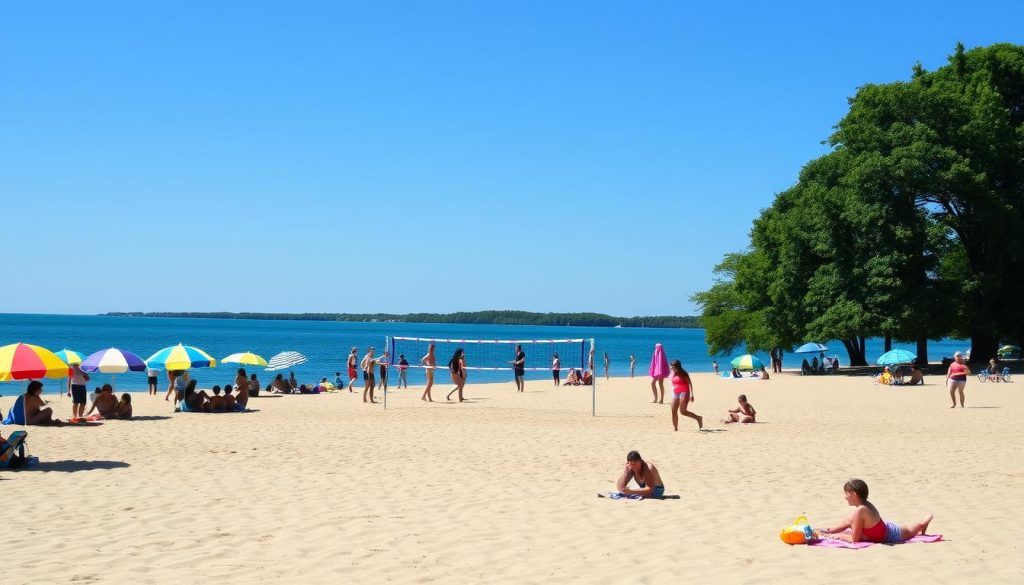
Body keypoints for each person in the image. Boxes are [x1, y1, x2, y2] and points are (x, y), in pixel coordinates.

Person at [817, 479, 932, 543]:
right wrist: (829, 532)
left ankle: (923, 522)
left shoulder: (860, 510)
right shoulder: (862, 506)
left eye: (846, 493)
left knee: (910, 532)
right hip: (883, 528)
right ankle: (829, 530)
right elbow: (848, 523)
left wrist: (838, 536)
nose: (844, 497)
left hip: (891, 534)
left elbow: (854, 539)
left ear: (854, 494)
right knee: (848, 521)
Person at [669, 359, 702, 431]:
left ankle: (698, 418)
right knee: (673, 411)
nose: (671, 368)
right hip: (675, 393)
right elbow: (673, 384)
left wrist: (692, 395)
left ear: (677, 367)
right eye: (671, 367)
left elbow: (690, 383)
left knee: (683, 411)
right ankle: (675, 429)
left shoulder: (684, 374)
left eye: (673, 367)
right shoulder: (672, 374)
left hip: (684, 392)